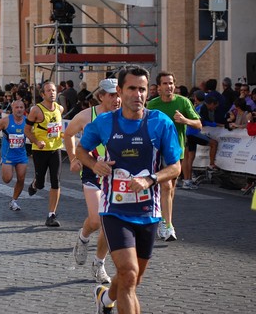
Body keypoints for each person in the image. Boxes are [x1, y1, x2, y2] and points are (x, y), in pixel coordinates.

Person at [76, 66, 181, 314]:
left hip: (148, 212)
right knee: (129, 272)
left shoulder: (159, 123)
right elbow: (81, 150)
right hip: (115, 210)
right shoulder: (104, 122)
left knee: (133, 279)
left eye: (142, 89)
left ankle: (104, 298)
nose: (138, 94)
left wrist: (151, 179)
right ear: (121, 91)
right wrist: (94, 164)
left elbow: (175, 167)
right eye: (132, 88)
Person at [64, 78, 121, 284]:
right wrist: (73, 158)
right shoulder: (86, 116)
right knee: (96, 220)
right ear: (101, 96)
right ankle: (83, 237)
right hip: (91, 171)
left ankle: (99, 264)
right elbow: (68, 134)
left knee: (108, 222)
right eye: (112, 95)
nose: (117, 99)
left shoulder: (126, 116)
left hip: (116, 174)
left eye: (119, 94)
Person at [147, 71, 201, 242]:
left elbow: (199, 124)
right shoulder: (152, 104)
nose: (169, 86)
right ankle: (167, 224)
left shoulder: (183, 102)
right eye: (165, 83)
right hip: (157, 151)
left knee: (170, 188)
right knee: (166, 186)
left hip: (176, 151)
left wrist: (185, 120)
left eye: (171, 83)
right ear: (158, 87)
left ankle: (165, 220)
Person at [24, 81, 65, 227]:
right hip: (40, 151)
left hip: (55, 149)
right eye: (48, 91)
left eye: (54, 90)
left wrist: (62, 134)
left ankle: (51, 215)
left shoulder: (60, 109)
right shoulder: (36, 110)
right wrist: (36, 141)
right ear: (43, 94)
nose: (52, 93)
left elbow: (56, 128)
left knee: (55, 181)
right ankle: (35, 184)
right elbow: (27, 130)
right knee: (41, 183)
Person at [0, 99, 28, 211]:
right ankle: (3, 166)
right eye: (16, 107)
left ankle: (14, 200)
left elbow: (34, 133)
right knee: (7, 179)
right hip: (8, 155)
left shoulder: (27, 121)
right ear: (12, 109)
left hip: (21, 154)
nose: (19, 110)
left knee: (21, 178)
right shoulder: (5, 121)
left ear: (24, 109)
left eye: (21, 107)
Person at [184, 92, 220, 189]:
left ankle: (187, 180)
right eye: (215, 106)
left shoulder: (198, 107)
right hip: (193, 133)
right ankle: (211, 164)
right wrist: (216, 125)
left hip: (189, 133)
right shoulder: (202, 107)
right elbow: (202, 122)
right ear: (212, 104)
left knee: (189, 158)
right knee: (214, 143)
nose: (214, 109)